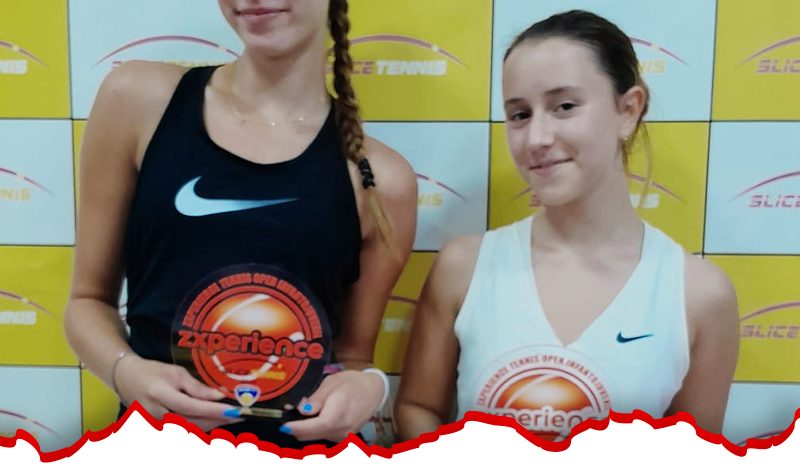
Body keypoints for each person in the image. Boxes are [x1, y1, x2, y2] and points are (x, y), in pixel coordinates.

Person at [64, 0, 417, 448]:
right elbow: (87, 301)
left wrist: (370, 386)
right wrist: (125, 371)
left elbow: (351, 359)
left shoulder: (381, 180)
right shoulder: (137, 100)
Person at [394, 10, 738, 442]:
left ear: (628, 110)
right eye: (520, 114)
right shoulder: (464, 266)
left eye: (565, 107)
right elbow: (419, 408)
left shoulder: (700, 295)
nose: (537, 138)